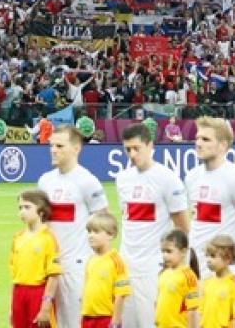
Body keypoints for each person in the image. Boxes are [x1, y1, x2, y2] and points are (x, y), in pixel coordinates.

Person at [119, 123, 192, 328]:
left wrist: (177, 265)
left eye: (136, 148)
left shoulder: (167, 179)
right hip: (126, 264)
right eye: (128, 149)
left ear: (150, 146)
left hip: (154, 267)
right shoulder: (122, 179)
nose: (132, 154)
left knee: (153, 321)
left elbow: (182, 228)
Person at [43, 126, 113, 328]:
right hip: (51, 267)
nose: (53, 150)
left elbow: (104, 221)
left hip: (78, 266)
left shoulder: (87, 182)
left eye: (59, 146)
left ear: (76, 148)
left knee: (75, 321)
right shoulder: (45, 181)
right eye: (51, 145)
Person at [187, 118, 235, 262]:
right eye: (197, 138)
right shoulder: (192, 177)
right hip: (197, 263)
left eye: (205, 139)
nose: (198, 143)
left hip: (225, 267)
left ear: (223, 145)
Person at [12, 190, 64, 328]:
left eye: (27, 207)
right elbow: (15, 273)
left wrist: (46, 306)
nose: (22, 211)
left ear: (41, 211)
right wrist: (12, 307)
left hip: (38, 293)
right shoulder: (18, 237)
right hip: (19, 292)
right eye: (20, 207)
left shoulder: (48, 238)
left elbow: (53, 275)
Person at [84, 212, 132, 328]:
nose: (91, 235)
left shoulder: (116, 261)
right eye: (89, 231)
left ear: (111, 235)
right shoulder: (90, 260)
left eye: (96, 232)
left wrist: (115, 321)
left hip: (106, 319)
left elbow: (121, 294)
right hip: (87, 318)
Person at [157, 230, 201, 328]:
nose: (164, 255)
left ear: (183, 251)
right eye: (162, 251)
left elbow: (193, 309)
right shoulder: (163, 273)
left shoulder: (188, 276)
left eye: (169, 251)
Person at [200, 235, 235, 328]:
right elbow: (201, 313)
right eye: (207, 256)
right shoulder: (206, 282)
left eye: (213, 256)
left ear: (227, 258)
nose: (208, 260)